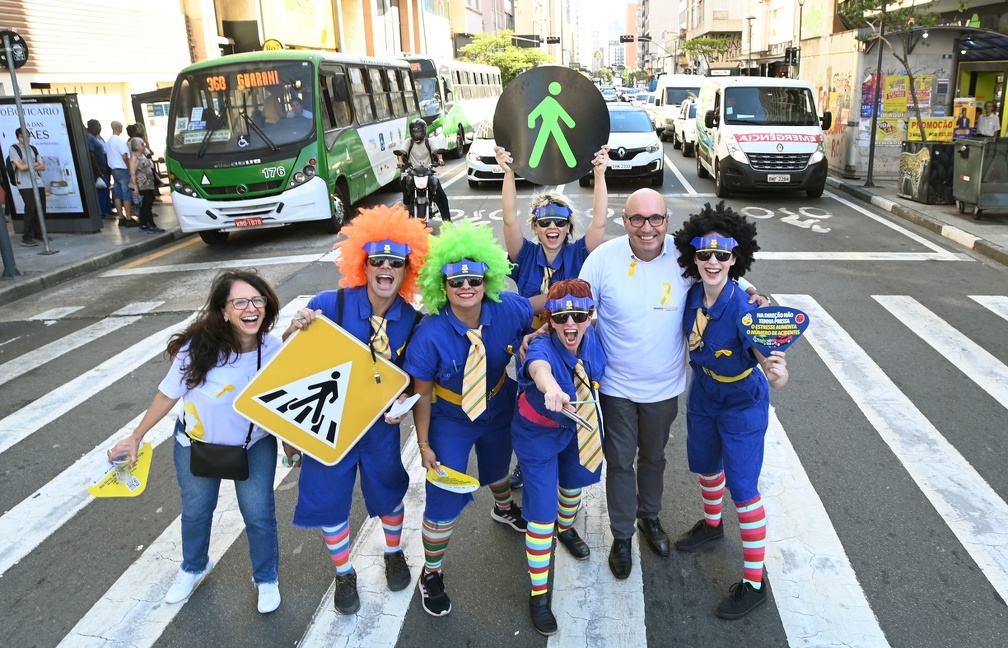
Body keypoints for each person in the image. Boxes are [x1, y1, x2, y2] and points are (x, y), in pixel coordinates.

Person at [578, 188, 768, 581]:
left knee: (654, 458)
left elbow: (722, 270)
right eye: (637, 219)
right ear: (624, 221)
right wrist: (543, 336)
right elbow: (576, 306)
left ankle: (650, 518)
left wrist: (754, 293)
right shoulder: (602, 259)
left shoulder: (684, 256)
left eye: (655, 219)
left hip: (664, 387)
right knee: (620, 462)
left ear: (667, 221)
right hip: (616, 386)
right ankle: (622, 535)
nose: (646, 228)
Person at [281, 204, 430, 616]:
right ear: (362, 264)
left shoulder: (412, 320)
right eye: (377, 259)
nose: (385, 267)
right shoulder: (331, 304)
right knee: (329, 499)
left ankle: (393, 552)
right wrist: (295, 327)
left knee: (389, 493)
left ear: (407, 269)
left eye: (395, 261)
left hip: (380, 429)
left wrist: (404, 403)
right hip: (329, 425)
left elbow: (413, 378)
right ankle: (344, 572)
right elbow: (289, 362)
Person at [107, 270, 284, 614]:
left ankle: (265, 578)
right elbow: (167, 394)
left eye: (257, 300)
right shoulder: (198, 348)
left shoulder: (274, 349)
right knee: (196, 513)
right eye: (240, 302)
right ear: (224, 311)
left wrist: (293, 445)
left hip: (253, 446)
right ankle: (193, 567)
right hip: (196, 444)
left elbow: (285, 401)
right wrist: (135, 436)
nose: (251, 308)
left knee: (259, 516)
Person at [402, 220, 533, 617]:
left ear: (486, 280)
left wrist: (568, 312)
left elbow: (542, 307)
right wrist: (424, 444)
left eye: (474, 279)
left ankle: (503, 508)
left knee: (498, 465)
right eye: (455, 281)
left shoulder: (507, 308)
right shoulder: (429, 334)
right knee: (443, 496)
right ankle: (432, 572)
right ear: (441, 285)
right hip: (450, 416)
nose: (465, 287)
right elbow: (421, 394)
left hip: (497, 403)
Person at [670, 201, 789, 620]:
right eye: (705, 253)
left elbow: (768, 361)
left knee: (742, 488)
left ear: (736, 258)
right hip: (704, 392)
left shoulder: (746, 309)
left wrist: (777, 373)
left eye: (723, 255)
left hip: (741, 402)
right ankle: (712, 525)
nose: (713, 262)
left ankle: (754, 584)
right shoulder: (690, 296)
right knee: (706, 466)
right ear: (693, 257)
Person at [494, 143, 610, 489]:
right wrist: (508, 173)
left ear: (568, 226)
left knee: (574, 395)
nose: (552, 227)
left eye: (560, 222)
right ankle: (526, 460)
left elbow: (600, 221)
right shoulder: (525, 255)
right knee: (529, 401)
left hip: (571, 341)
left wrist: (600, 174)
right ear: (536, 226)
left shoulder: (579, 254)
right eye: (545, 222)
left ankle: (575, 454)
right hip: (532, 342)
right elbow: (509, 219)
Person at [512, 278, 606, 636]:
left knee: (573, 485)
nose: (570, 323)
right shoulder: (540, 346)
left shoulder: (593, 337)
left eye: (578, 316)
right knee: (540, 513)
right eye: (561, 316)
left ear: (589, 316)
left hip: (578, 425)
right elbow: (540, 369)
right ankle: (538, 594)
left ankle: (565, 530)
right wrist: (550, 387)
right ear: (549, 318)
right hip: (538, 433)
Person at [397, 117, 451, 221]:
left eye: (418, 132)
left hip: (428, 172)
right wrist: (400, 161)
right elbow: (402, 152)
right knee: (404, 182)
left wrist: (440, 159)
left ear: (424, 131)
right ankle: (407, 204)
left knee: (441, 195)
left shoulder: (429, 141)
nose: (416, 134)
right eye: (414, 132)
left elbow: (436, 151)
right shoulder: (408, 142)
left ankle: (447, 221)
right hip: (412, 172)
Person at [8, 128, 45, 247]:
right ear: (18, 137)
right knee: (31, 208)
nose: (26, 138)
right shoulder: (14, 149)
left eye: (27, 136)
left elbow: (43, 166)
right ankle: (27, 237)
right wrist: (35, 164)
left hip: (38, 182)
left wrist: (28, 165)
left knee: (41, 208)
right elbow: (21, 168)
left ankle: (39, 233)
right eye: (22, 136)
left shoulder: (33, 149)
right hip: (24, 184)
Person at [129, 137, 163, 233]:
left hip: (148, 183)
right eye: (142, 144)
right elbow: (132, 174)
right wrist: (135, 187)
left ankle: (143, 224)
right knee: (146, 205)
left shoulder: (142, 155)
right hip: (142, 185)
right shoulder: (134, 158)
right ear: (136, 146)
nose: (144, 145)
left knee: (146, 205)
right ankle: (151, 225)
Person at [106, 121, 136, 227]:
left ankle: (121, 217)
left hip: (114, 170)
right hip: (123, 170)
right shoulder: (119, 141)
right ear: (119, 127)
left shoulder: (109, 141)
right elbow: (125, 157)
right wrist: (130, 168)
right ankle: (129, 218)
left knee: (117, 195)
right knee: (126, 194)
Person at [85, 120, 114, 218]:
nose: (99, 128)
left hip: (104, 168)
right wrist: (98, 170)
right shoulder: (89, 137)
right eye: (98, 126)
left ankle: (108, 209)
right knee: (101, 191)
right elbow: (91, 154)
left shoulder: (97, 137)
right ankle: (102, 212)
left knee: (106, 190)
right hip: (98, 170)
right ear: (91, 126)